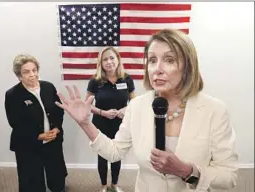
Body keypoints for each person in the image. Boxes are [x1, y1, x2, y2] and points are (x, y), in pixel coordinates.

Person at [55, 29, 238, 192]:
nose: (156, 69)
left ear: (188, 66)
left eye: (169, 60)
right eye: (152, 60)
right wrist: (85, 123)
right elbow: (114, 151)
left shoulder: (215, 110)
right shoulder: (137, 106)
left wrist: (186, 170)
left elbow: (229, 177)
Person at [4, 54, 68, 192]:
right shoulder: (13, 95)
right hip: (27, 144)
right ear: (19, 75)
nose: (32, 75)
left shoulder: (48, 87)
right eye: (26, 72)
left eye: (34, 70)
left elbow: (59, 111)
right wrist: (37, 136)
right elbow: (15, 122)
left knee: (57, 177)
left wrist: (56, 128)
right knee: (31, 181)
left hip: (53, 140)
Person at [86, 46, 135, 192]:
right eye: (105, 59)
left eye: (112, 58)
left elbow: (134, 102)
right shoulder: (95, 81)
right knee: (102, 155)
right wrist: (103, 112)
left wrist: (126, 110)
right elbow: (87, 106)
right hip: (101, 123)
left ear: (118, 59)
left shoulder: (126, 78)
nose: (109, 62)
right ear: (100, 63)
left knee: (117, 154)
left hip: (120, 124)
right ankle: (103, 185)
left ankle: (114, 184)